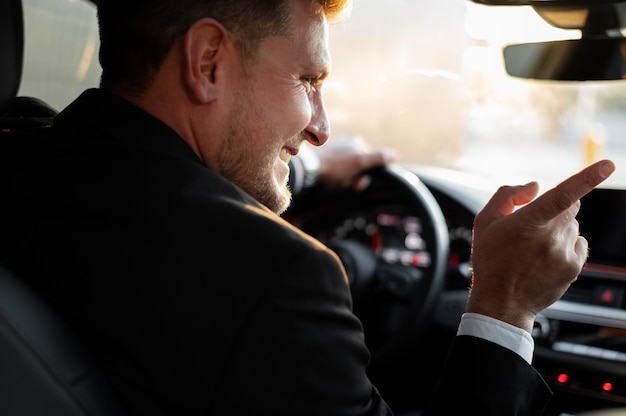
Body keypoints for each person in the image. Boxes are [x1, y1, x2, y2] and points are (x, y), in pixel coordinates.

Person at [0, 0, 616, 415]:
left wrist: (309, 169)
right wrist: (503, 306)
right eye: (308, 82)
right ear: (206, 60)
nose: (319, 127)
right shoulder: (276, 278)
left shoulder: (25, 153)